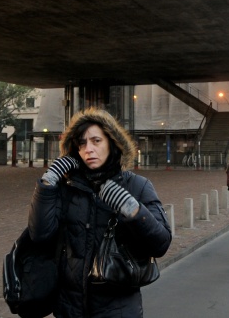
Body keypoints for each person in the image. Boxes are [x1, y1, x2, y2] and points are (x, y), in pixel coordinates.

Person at [28, 108, 172, 317]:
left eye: (96, 141)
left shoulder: (137, 185)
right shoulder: (65, 187)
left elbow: (161, 243)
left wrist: (132, 209)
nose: (88, 149)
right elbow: (39, 235)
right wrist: (48, 183)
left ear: (112, 142)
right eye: (82, 143)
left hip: (118, 307)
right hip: (70, 307)